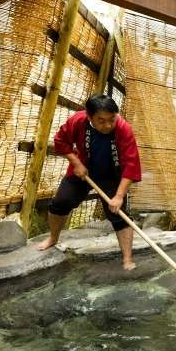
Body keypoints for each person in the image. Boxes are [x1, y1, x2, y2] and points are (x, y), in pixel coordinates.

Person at [37, 94, 142, 270]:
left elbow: (131, 164)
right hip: (82, 171)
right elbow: (61, 141)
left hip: (111, 175)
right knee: (60, 202)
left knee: (118, 215)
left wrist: (118, 196)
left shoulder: (123, 129)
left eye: (112, 119)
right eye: (101, 121)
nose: (108, 125)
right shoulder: (78, 121)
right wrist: (76, 163)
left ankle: (127, 259)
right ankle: (53, 238)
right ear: (89, 116)